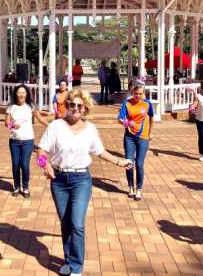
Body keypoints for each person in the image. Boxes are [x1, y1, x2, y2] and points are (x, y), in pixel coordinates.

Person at [37, 89, 132, 276]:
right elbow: (41, 150)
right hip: (59, 180)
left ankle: (76, 268)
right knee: (65, 223)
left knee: (77, 223)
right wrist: (44, 165)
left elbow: (100, 151)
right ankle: (68, 258)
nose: (75, 108)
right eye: (72, 105)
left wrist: (120, 162)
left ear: (85, 108)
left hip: (81, 179)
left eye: (79, 105)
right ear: (67, 105)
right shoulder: (55, 126)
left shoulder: (90, 129)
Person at [5, 84, 48, 198]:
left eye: (23, 92)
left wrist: (51, 126)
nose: (21, 94)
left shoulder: (31, 106)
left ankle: (26, 187)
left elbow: (40, 119)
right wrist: (13, 125)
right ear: (16, 94)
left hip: (28, 140)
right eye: (19, 92)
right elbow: (7, 124)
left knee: (24, 164)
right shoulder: (11, 107)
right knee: (15, 164)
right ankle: (16, 187)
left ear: (27, 94)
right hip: (14, 141)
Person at [118, 83, 154, 201]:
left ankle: (139, 188)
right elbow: (120, 119)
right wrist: (128, 123)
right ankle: (130, 187)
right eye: (136, 93)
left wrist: (151, 132)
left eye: (140, 93)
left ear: (143, 93)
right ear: (132, 93)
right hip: (129, 137)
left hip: (143, 137)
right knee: (129, 163)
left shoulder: (147, 104)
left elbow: (152, 117)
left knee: (139, 164)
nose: (138, 96)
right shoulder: (127, 103)